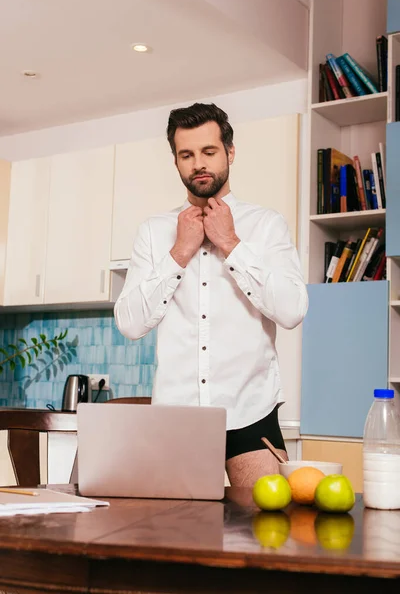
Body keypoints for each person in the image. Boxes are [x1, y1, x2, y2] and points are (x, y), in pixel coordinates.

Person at [114, 102, 308, 487]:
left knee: (265, 534)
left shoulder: (266, 225)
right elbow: (129, 323)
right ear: (176, 162)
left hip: (252, 411)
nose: (198, 163)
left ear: (229, 152)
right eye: (186, 154)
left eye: (209, 151)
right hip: (176, 419)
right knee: (177, 539)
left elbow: (292, 310)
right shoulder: (154, 232)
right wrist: (179, 252)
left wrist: (231, 243)